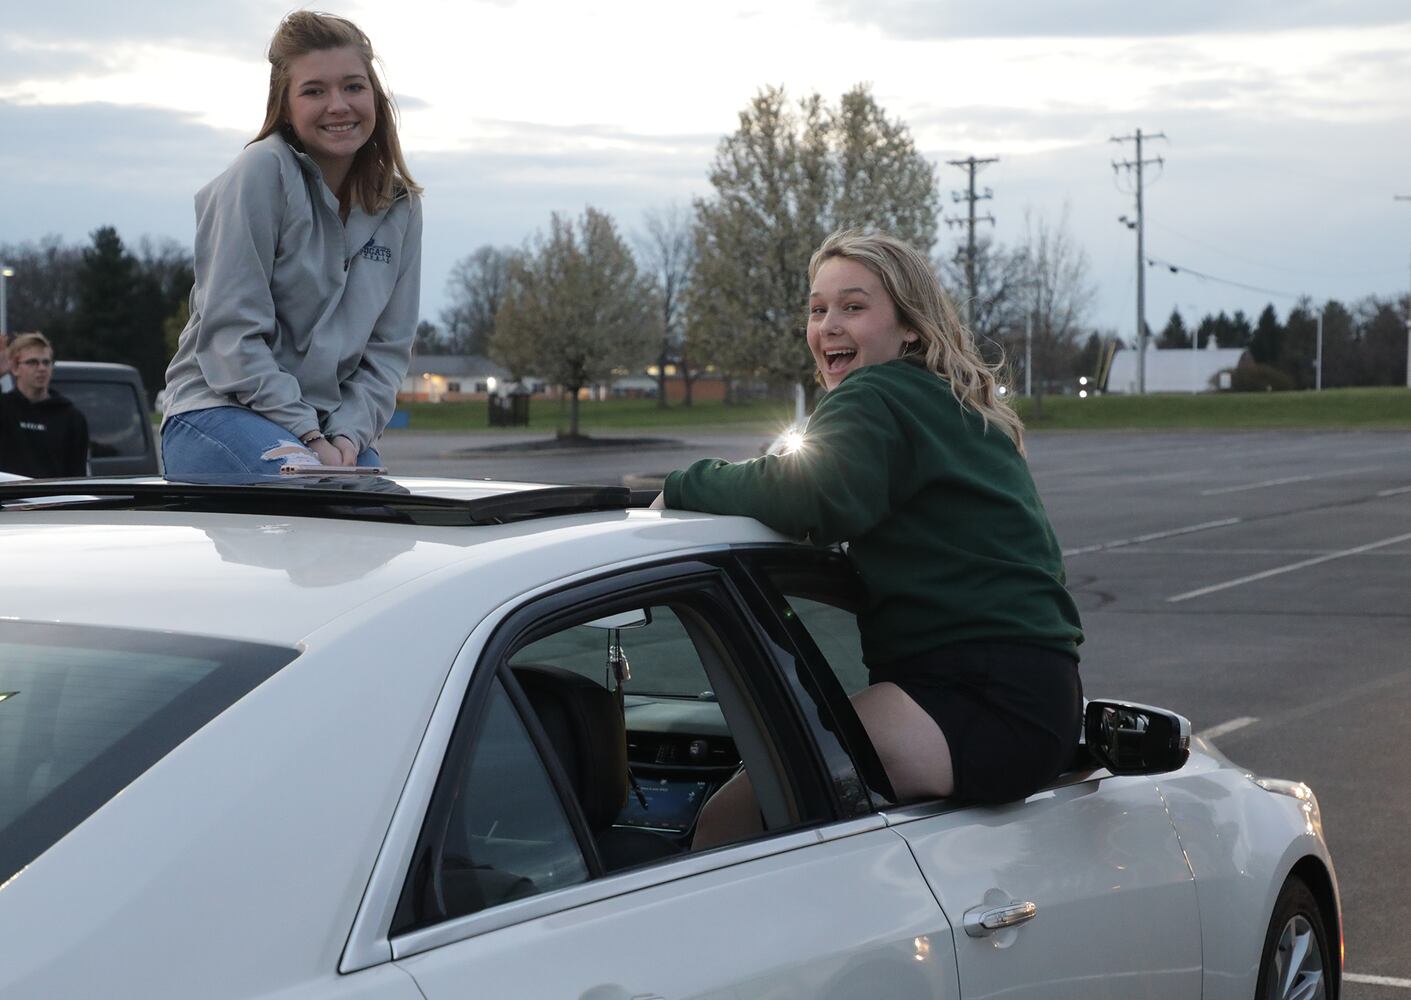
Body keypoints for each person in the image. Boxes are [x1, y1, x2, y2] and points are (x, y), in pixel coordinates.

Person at [655, 230, 1084, 846]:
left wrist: (683, 486)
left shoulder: (878, 393)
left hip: (974, 696)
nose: (828, 325)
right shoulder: (950, 403)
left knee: (724, 826)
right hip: (1034, 695)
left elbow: (815, 495)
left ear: (909, 327)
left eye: (853, 307)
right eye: (817, 309)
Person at [160, 11, 422, 475]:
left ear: (375, 97)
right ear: (284, 105)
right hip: (219, 409)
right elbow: (231, 335)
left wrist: (347, 435)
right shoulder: (261, 173)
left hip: (329, 428)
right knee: (313, 499)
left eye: (353, 86)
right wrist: (307, 434)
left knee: (383, 524)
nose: (338, 105)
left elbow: (387, 351)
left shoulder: (398, 205)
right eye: (314, 91)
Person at [0, 332, 90, 477]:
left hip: (53, 499)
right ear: (15, 368)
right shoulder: (4, 409)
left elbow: (78, 475)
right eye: (32, 362)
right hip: (9, 498)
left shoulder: (71, 417)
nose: (41, 368)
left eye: (46, 362)